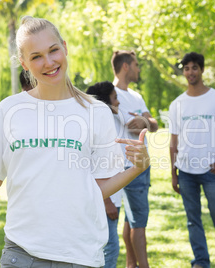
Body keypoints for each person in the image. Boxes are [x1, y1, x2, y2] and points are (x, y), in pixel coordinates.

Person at [0, 16, 150, 268]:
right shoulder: (10, 109)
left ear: (64, 47)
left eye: (53, 50)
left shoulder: (96, 111)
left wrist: (137, 168)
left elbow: (98, 187)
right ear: (24, 63)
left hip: (80, 254)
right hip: (20, 254)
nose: (49, 62)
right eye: (36, 56)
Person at [169, 52, 215, 268]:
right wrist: (173, 174)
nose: (190, 72)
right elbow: (173, 143)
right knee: (193, 220)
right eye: (186, 68)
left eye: (194, 68)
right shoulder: (177, 104)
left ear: (201, 70)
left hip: (211, 173)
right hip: (186, 172)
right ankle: (201, 261)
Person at [111, 50, 158, 268]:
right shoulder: (109, 95)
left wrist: (144, 122)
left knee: (132, 219)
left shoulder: (136, 96)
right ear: (126, 66)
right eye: (136, 64)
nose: (139, 69)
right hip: (123, 166)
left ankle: (132, 265)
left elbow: (154, 123)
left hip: (141, 166)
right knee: (139, 222)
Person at [86, 81, 122, 268]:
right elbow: (93, 169)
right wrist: (107, 202)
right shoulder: (97, 128)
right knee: (110, 248)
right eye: (115, 98)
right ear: (105, 103)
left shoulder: (106, 122)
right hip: (104, 200)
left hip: (111, 198)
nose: (118, 102)